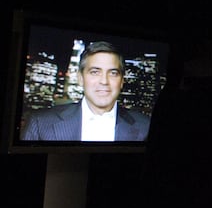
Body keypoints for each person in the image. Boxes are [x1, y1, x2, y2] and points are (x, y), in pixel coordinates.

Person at [21, 40, 150, 141]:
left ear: (122, 81)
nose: (104, 81)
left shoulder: (147, 127)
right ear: (80, 78)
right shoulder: (39, 123)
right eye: (95, 72)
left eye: (113, 73)